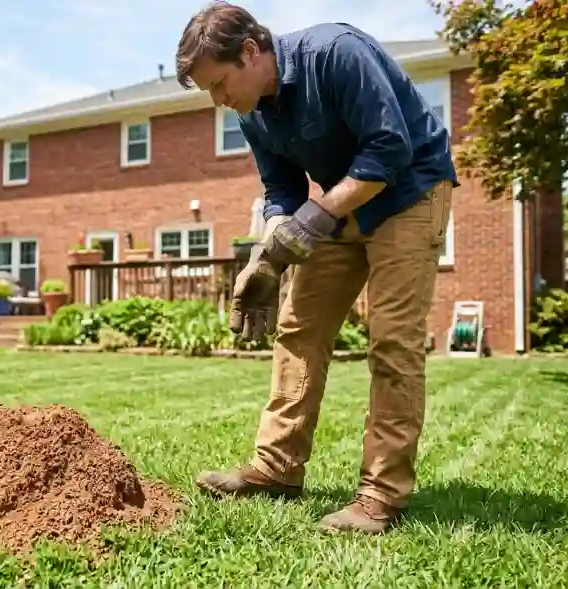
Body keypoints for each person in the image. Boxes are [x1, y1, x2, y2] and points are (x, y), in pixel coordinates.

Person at [174, 2, 458, 535]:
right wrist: (266, 258)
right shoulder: (252, 111)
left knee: (392, 341)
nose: (218, 101)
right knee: (299, 328)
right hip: (343, 201)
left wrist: (316, 218)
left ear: (251, 51)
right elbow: (282, 191)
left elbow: (388, 149)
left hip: (410, 189)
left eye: (219, 84)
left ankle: (381, 496)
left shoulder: (335, 52)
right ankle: (276, 469)